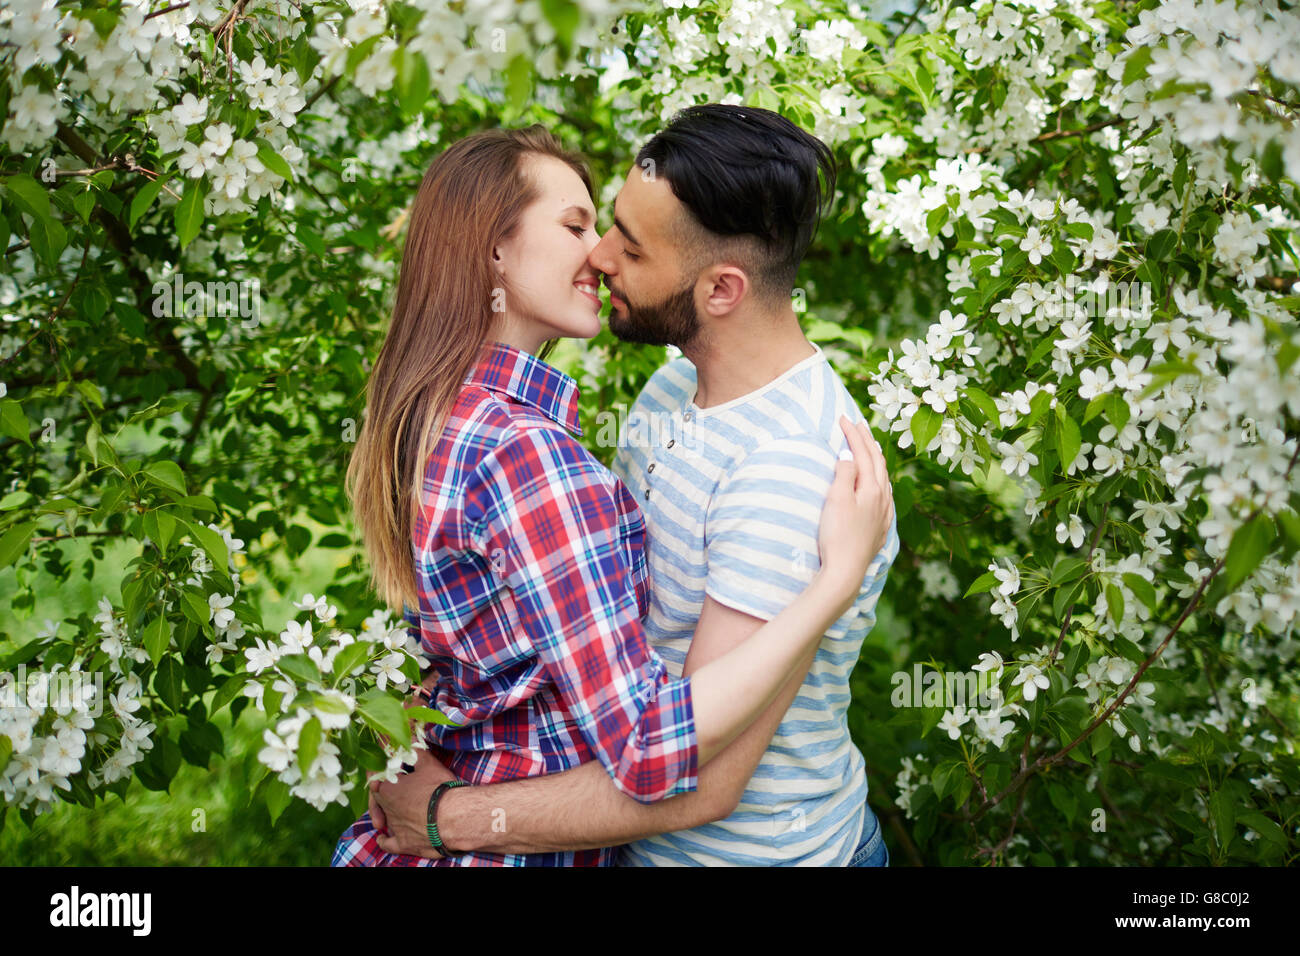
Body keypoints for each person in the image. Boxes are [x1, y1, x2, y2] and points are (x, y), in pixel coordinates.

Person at [331, 120, 895, 867]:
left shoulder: (790, 469)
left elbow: (697, 782)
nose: (600, 256)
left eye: (627, 245)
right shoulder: (666, 394)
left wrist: (447, 816)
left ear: (721, 289)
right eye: (586, 225)